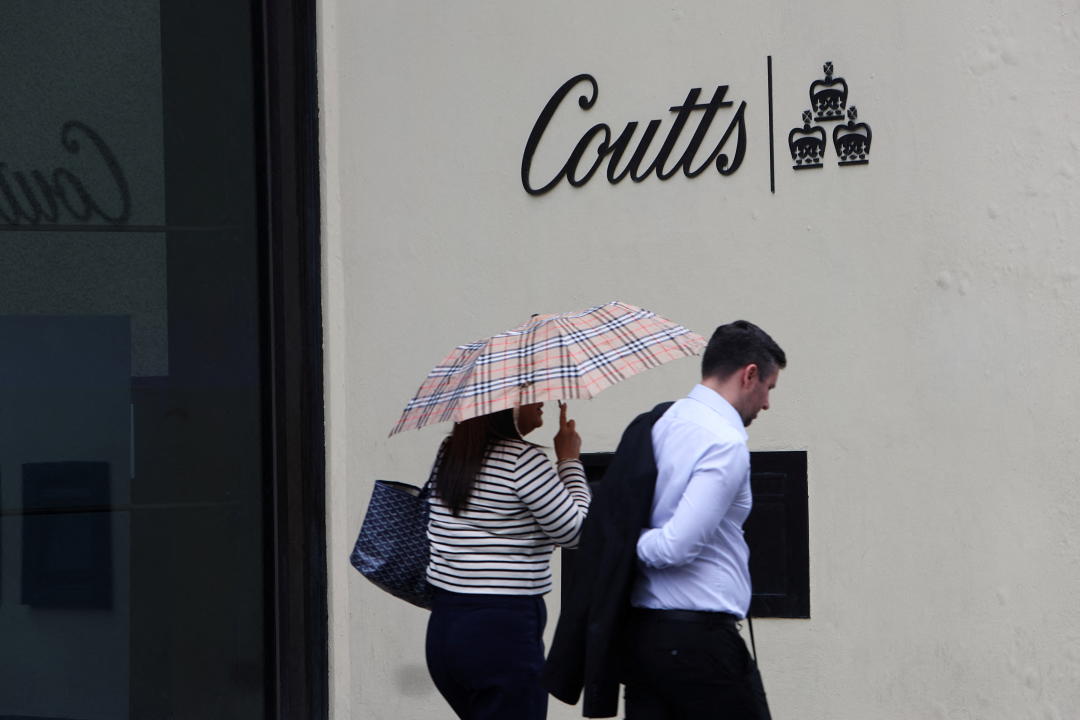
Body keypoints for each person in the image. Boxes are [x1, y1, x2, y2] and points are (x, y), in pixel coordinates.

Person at [542, 320, 784, 720]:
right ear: (750, 375)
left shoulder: (658, 425)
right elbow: (676, 546)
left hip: (643, 640)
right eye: (769, 389)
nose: (767, 404)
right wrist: (623, 542)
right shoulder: (724, 443)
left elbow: (623, 515)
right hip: (699, 645)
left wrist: (620, 541)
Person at [425, 400, 591, 720]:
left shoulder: (451, 452)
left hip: (446, 627)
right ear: (503, 405)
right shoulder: (522, 459)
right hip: (503, 630)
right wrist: (569, 461)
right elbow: (577, 533)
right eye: (528, 390)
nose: (541, 399)